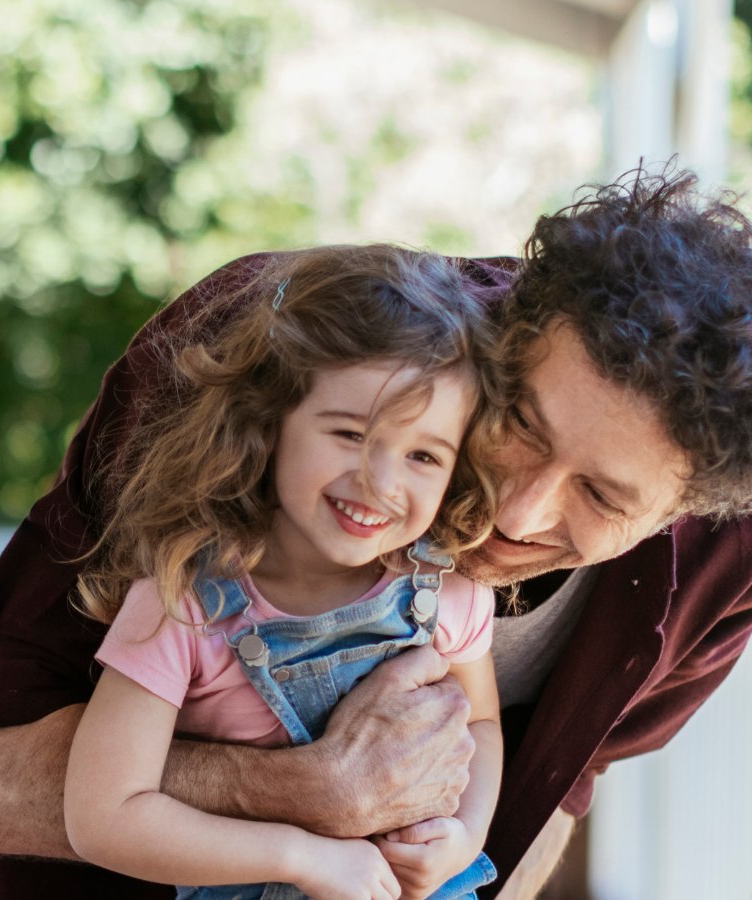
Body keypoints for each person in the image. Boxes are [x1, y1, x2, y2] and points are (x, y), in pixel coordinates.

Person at [0, 167, 752, 899]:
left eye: (601, 496)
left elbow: (552, 790)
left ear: (686, 513)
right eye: (520, 423)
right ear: (504, 335)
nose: (519, 516)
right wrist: (305, 796)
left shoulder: (738, 550)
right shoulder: (275, 352)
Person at [60, 246, 510, 900]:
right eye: (351, 435)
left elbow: (479, 728)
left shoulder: (450, 594)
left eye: (422, 455)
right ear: (270, 421)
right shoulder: (182, 603)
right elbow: (102, 817)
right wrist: (302, 857)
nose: (379, 482)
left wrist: (465, 836)